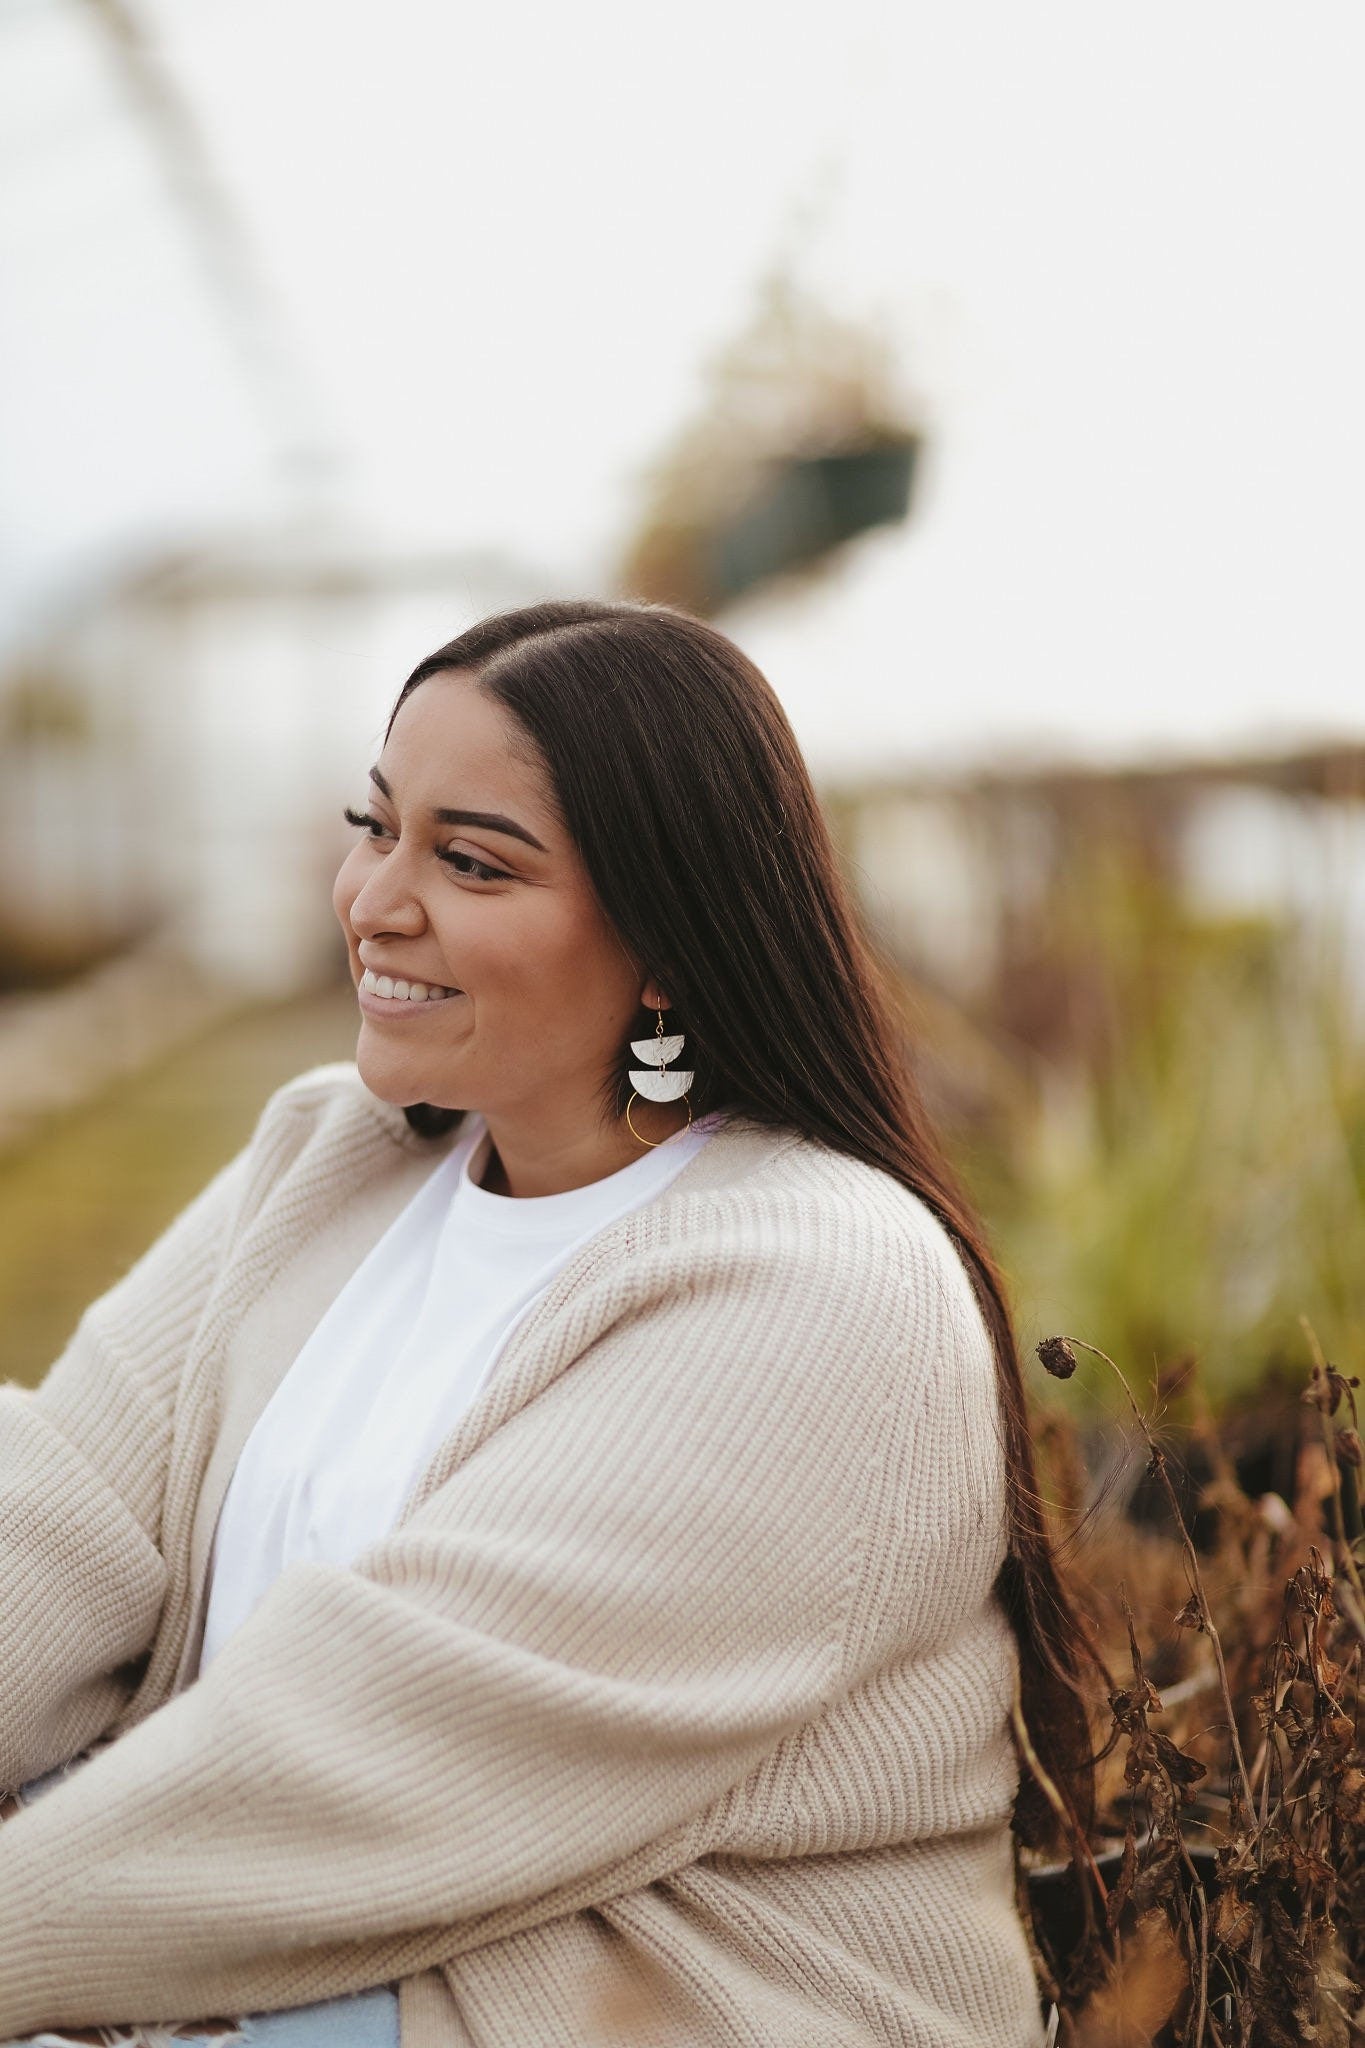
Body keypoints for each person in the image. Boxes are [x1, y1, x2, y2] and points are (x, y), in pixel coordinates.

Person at [0, 599, 1098, 2048]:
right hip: (277, 1981)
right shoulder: (336, 1156)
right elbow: (58, 1516)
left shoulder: (820, 1288)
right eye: (372, 824)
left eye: (469, 861)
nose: (374, 900)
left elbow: (357, 1764)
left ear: (664, 939)